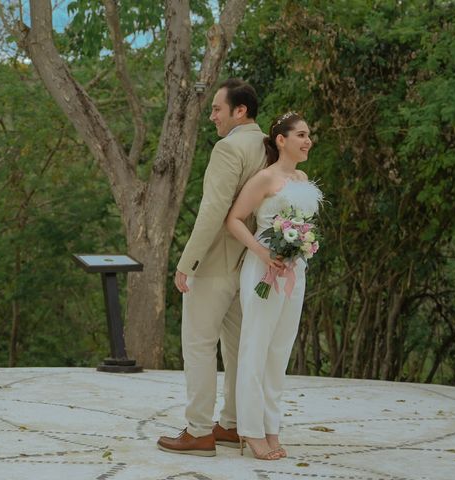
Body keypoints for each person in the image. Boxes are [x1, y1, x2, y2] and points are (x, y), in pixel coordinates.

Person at [157, 79, 267, 457]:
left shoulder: (228, 148)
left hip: (217, 262)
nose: (212, 116)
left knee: (199, 346)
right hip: (252, 263)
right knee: (238, 349)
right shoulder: (269, 146)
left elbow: (212, 211)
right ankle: (234, 425)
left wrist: (187, 262)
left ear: (240, 111)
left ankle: (200, 431)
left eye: (217, 109)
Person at [225, 112, 323, 460]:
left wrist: (303, 244)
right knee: (255, 349)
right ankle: (249, 431)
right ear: (281, 140)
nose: (307, 140)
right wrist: (262, 251)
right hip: (263, 272)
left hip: (294, 273)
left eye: (308, 134)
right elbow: (234, 219)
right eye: (300, 134)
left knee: (279, 352)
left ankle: (271, 427)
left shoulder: (302, 177)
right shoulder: (264, 179)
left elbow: (304, 223)